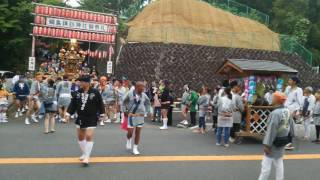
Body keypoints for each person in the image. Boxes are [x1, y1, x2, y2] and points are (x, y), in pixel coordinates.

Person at [67, 75, 105, 166]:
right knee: (80, 137)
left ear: (87, 82)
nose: (80, 83)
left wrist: (102, 114)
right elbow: (72, 105)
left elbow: (100, 103)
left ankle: (87, 157)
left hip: (92, 117)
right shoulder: (77, 93)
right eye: (80, 82)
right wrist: (68, 114)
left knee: (88, 136)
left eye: (82, 82)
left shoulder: (95, 92)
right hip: (80, 117)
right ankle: (84, 153)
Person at [258, 91, 294, 180]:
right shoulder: (287, 111)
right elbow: (292, 126)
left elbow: (271, 130)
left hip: (273, 142)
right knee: (279, 161)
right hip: (283, 140)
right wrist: (290, 138)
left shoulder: (275, 113)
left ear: (277, 100)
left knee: (265, 165)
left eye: (273, 98)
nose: (272, 99)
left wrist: (267, 144)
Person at [122, 81, 151, 155]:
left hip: (140, 115)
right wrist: (124, 110)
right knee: (130, 133)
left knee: (138, 132)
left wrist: (147, 111)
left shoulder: (144, 95)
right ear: (137, 87)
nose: (143, 88)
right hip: (131, 115)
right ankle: (128, 139)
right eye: (142, 87)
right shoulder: (130, 93)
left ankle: (135, 148)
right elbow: (124, 102)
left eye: (144, 87)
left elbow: (148, 103)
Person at [284, 76, 303, 150]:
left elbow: (300, 102)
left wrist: (296, 112)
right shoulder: (288, 88)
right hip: (285, 108)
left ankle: (289, 143)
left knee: (289, 126)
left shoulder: (299, 90)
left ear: (294, 82)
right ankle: (285, 142)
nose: (288, 81)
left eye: (290, 80)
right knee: (285, 126)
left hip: (292, 110)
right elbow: (284, 97)